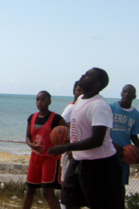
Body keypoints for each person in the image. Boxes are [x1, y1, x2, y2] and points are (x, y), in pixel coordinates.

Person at [48, 68, 122, 209]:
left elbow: (97, 140)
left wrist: (66, 147)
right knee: (67, 201)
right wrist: (70, 143)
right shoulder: (80, 100)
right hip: (79, 161)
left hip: (100, 165)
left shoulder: (99, 106)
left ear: (97, 84)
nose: (83, 75)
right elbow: (79, 130)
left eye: (88, 75)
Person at [22, 91, 67, 209]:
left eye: (43, 100)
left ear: (49, 102)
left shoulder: (56, 119)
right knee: (30, 190)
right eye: (37, 99)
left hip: (50, 159)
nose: (39, 102)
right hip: (35, 158)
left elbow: (68, 134)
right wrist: (31, 145)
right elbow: (27, 137)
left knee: (47, 192)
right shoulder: (32, 117)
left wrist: (63, 148)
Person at [110, 84, 139, 207]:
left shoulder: (136, 115)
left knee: (120, 185)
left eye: (129, 93)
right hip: (107, 152)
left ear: (134, 96)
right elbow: (101, 130)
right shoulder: (111, 108)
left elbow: (133, 136)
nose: (126, 94)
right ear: (121, 93)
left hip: (123, 155)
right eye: (124, 91)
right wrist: (113, 144)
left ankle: (120, 206)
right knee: (105, 183)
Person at [59, 82, 83, 209]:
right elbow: (60, 127)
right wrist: (67, 143)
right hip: (70, 152)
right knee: (67, 183)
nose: (81, 93)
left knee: (77, 184)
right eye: (79, 90)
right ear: (74, 91)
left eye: (83, 91)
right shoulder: (71, 108)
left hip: (80, 152)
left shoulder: (83, 108)